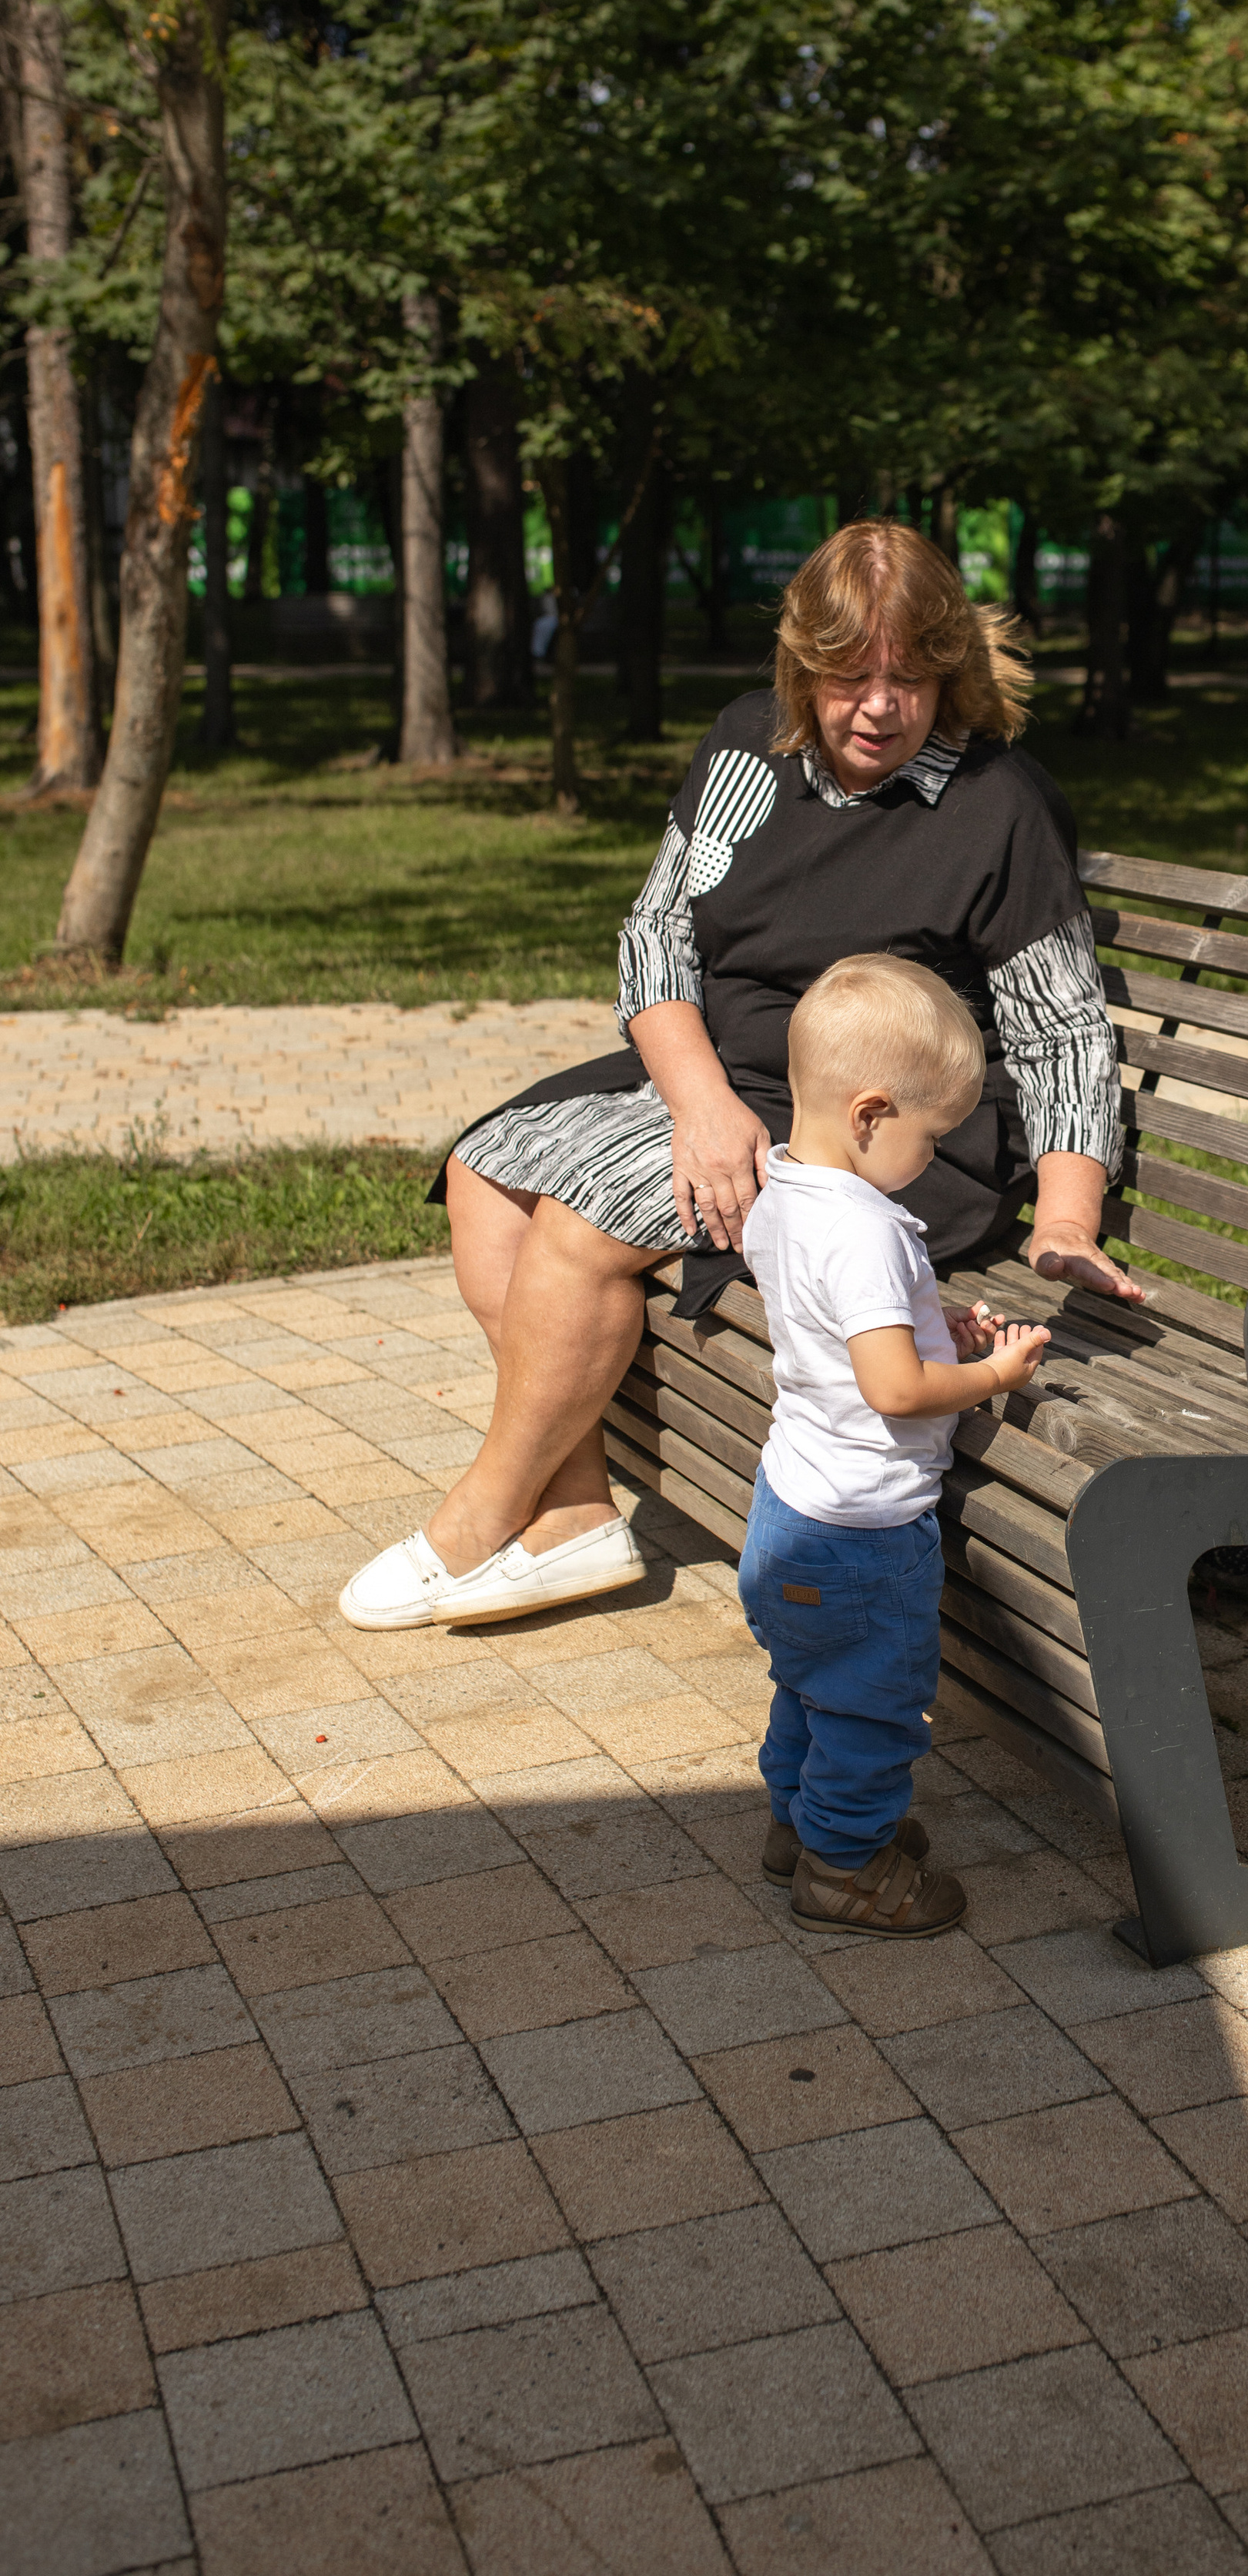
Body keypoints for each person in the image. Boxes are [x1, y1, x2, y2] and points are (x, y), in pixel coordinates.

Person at [340, 517, 1140, 1634]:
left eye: (909, 677)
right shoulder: (745, 756)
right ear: (801, 670)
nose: (879, 705)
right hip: (737, 1078)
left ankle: (480, 1516)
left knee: (580, 1229)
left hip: (879, 1127)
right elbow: (658, 935)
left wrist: (1066, 1215)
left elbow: (1060, 1031)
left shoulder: (1000, 806)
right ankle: (574, 1515)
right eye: (850, 675)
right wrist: (701, 1104)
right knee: (485, 1168)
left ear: (947, 672)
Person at [739, 954, 1049, 1936]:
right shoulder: (867, 1230)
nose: (934, 1158)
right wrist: (992, 1377)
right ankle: (846, 1868)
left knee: (810, 1686)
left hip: (790, 1509)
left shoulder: (784, 1193)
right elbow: (896, 1389)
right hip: (864, 1534)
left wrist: (931, 1330)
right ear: (871, 1114)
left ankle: (801, 1827)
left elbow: (846, 1343)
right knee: (873, 1711)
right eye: (930, 1137)